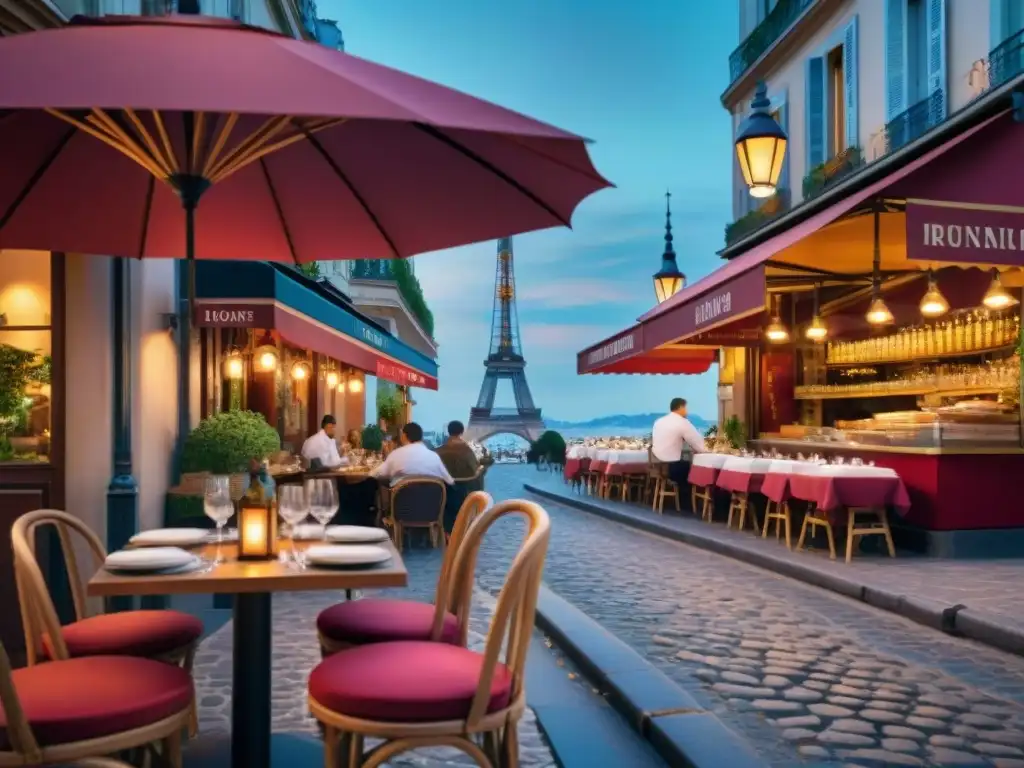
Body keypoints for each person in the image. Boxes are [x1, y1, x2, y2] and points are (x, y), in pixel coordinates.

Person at [651, 397, 706, 510]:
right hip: (671, 468)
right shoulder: (682, 422)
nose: (687, 411)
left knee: (684, 463)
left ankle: (678, 501)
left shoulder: (658, 422)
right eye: (686, 408)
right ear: (680, 407)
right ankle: (688, 504)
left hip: (656, 466)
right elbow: (699, 445)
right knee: (691, 468)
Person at [371, 422, 454, 486]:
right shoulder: (434, 456)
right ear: (421, 437)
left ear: (404, 436)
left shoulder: (396, 454)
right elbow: (450, 481)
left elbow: (377, 473)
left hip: (402, 504)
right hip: (431, 505)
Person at [435, 421, 481, 486]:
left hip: (443, 488)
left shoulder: (437, 451)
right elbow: (474, 469)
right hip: (464, 488)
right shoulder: (467, 450)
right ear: (462, 432)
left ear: (448, 432)